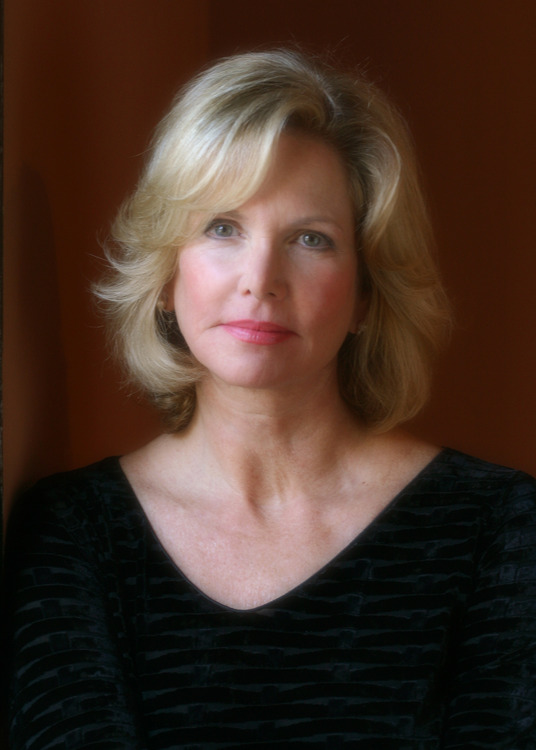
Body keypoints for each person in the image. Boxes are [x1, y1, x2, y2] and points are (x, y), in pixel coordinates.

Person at [4, 49, 536, 749]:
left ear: (366, 295)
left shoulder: (499, 526)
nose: (261, 278)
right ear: (166, 273)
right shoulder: (72, 532)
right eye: (222, 227)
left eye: (311, 239)